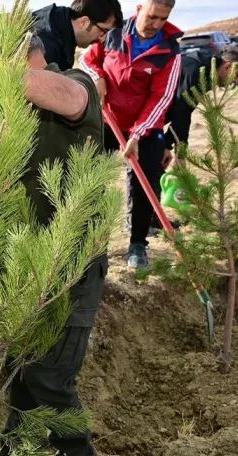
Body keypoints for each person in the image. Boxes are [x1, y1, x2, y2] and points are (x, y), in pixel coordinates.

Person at [0, 33, 108, 456]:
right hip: (23, 267)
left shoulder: (71, 83)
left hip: (73, 266)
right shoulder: (5, 116)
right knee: (18, 368)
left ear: (26, 58)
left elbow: (74, 98)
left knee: (50, 376)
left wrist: (0, 75)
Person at [80, 0, 182, 268]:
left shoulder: (170, 50)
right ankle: (87, 240)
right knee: (91, 173)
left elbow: (162, 97)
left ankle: (137, 244)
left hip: (146, 126)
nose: (156, 25)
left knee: (144, 180)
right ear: (140, 8)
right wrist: (97, 76)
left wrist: (138, 134)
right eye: (152, 17)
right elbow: (87, 59)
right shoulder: (113, 32)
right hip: (108, 118)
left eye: (163, 18)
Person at [164, 47, 238, 158]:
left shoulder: (205, 71)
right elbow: (182, 112)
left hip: (151, 122)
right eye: (236, 77)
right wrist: (180, 155)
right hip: (140, 119)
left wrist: (166, 144)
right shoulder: (197, 72)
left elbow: (184, 111)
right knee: (149, 168)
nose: (235, 82)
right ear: (227, 67)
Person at [32, 0, 123, 70]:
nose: (102, 39)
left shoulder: (61, 27)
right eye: (103, 31)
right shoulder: (45, 45)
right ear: (83, 22)